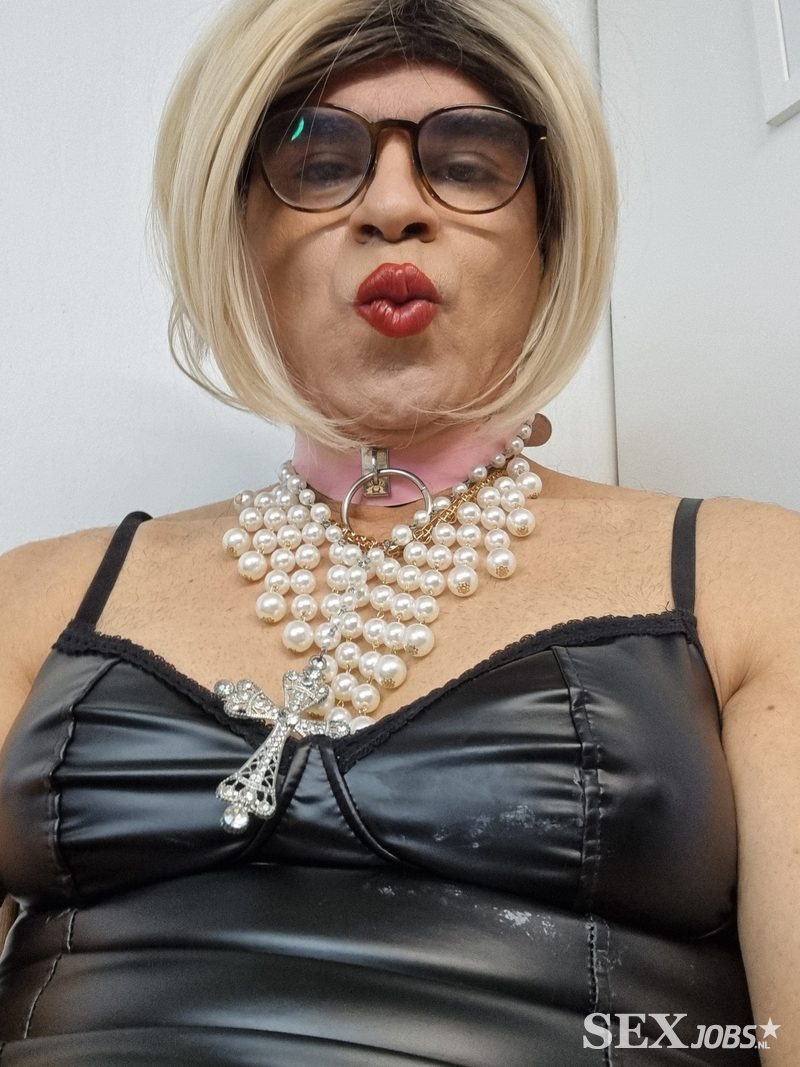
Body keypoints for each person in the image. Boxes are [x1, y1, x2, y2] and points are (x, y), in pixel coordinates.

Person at [0, 0, 797, 1062]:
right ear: (238, 230)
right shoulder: (35, 601)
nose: (390, 205)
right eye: (319, 164)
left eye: (465, 165)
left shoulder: (753, 578)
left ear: (548, 234)